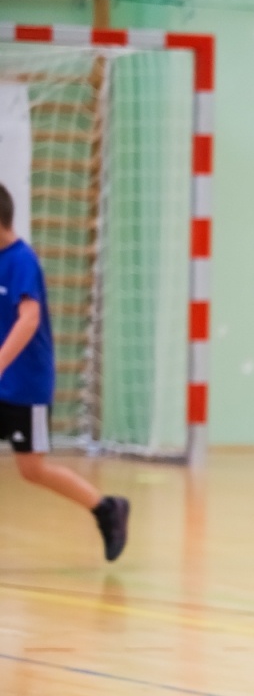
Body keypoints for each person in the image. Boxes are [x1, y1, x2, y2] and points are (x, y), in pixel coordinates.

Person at [0, 184, 129, 559]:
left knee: (32, 468)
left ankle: (107, 508)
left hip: (25, 386)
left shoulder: (22, 261)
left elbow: (29, 318)